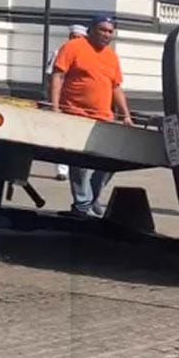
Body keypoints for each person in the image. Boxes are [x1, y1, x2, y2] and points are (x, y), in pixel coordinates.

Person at [49, 14, 133, 217]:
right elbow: (58, 76)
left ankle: (92, 197)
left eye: (110, 31)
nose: (106, 34)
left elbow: (116, 87)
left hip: (103, 117)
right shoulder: (74, 47)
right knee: (79, 163)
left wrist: (126, 115)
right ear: (92, 29)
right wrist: (54, 107)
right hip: (75, 113)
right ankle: (82, 205)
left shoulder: (111, 56)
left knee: (111, 162)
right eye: (102, 29)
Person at [46, 24, 88, 181]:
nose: (75, 40)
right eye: (73, 37)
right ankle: (62, 170)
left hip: (80, 103)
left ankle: (78, 170)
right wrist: (53, 101)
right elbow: (51, 76)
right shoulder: (59, 52)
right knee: (62, 136)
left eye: (78, 38)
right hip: (62, 101)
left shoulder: (87, 53)